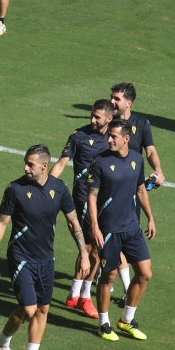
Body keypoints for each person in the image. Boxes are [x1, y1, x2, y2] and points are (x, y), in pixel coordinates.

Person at [0, 144, 73, 350]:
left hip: (46, 258)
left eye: (30, 164)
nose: (25, 167)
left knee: (43, 308)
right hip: (20, 256)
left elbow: (73, 221)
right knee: (29, 308)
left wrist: (84, 252)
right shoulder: (15, 189)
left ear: (45, 166)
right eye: (25, 162)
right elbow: (2, 223)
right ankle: (2, 343)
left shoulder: (60, 188)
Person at [87, 116, 157, 342]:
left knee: (145, 274)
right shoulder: (100, 162)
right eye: (109, 135)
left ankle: (126, 320)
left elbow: (141, 190)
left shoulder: (137, 158)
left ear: (126, 139)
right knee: (109, 276)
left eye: (113, 136)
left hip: (131, 227)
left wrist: (150, 218)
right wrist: (95, 227)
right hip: (108, 230)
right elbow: (92, 197)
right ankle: (103, 323)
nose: (109, 139)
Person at [51, 98, 113, 318]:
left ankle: (74, 294)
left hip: (106, 202)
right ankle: (84, 297)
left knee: (90, 249)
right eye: (92, 116)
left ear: (109, 118)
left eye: (97, 117)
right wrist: (47, 187)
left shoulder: (114, 139)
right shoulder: (79, 136)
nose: (93, 120)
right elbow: (61, 163)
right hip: (84, 201)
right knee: (93, 249)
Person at [109, 82, 166, 187]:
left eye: (117, 99)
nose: (111, 101)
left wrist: (158, 170)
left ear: (128, 104)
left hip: (133, 180)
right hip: (110, 178)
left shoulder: (141, 123)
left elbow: (150, 151)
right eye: (111, 97)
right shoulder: (107, 121)